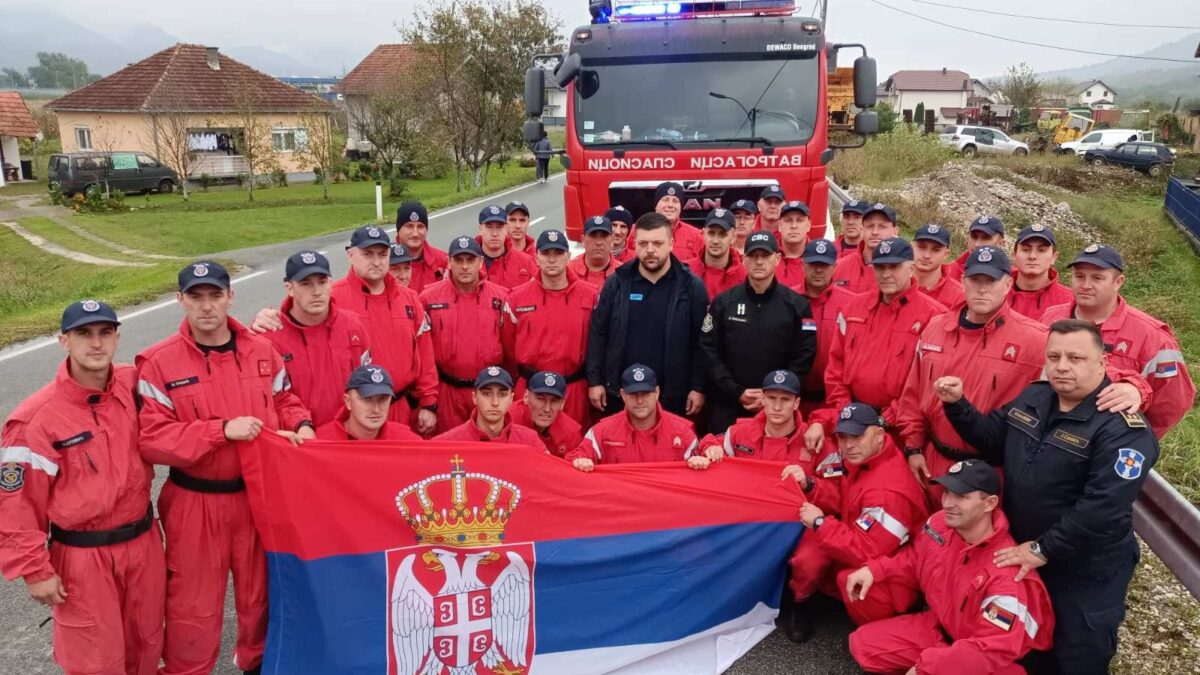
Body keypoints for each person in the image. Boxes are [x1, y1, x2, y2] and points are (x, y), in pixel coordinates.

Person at [939, 319, 1160, 674]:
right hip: (1028, 551)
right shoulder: (1036, 396)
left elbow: (1101, 508)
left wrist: (1043, 549)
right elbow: (993, 440)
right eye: (1054, 356)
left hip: (1085, 566)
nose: (1061, 366)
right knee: (1031, 646)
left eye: (1075, 358)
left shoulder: (1122, 429)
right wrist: (957, 405)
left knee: (1077, 654)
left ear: (1103, 363)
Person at [136, 261, 313, 675]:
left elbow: (284, 400)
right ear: (180, 301)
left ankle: (256, 665)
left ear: (230, 297)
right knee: (192, 607)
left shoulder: (261, 351)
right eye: (195, 297)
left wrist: (301, 424)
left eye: (215, 295)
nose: (206, 307)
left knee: (260, 599)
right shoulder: (159, 363)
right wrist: (219, 431)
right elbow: (152, 438)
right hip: (195, 500)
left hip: (257, 497)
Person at [0, 300, 166, 675]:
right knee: (96, 660)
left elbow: (184, 367)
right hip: (83, 558)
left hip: (143, 544)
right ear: (63, 341)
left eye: (105, 333)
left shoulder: (129, 383)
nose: (96, 344)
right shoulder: (34, 419)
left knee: (146, 642)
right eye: (84, 334)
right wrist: (34, 569)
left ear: (117, 337)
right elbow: (15, 504)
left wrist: (257, 328)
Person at [845, 460, 1055, 673]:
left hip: (991, 661)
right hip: (942, 630)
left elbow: (989, 651)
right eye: (947, 492)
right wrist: (875, 569)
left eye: (961, 496)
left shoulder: (1007, 574)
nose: (947, 503)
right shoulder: (940, 523)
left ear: (990, 503)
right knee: (862, 644)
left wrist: (928, 668)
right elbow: (918, 557)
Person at [896, 246, 1049, 504]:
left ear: (1008, 283)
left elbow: (1087, 368)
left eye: (990, 280)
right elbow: (912, 394)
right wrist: (913, 447)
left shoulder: (1036, 339)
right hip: (934, 461)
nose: (982, 288)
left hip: (988, 472)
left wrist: (1133, 385)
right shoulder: (935, 329)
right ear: (963, 281)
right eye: (975, 279)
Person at [783, 402, 928, 642]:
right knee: (809, 557)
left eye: (857, 436)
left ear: (879, 435)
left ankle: (884, 632)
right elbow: (842, 497)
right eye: (842, 437)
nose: (848, 445)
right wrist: (812, 484)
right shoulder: (866, 455)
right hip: (859, 535)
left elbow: (864, 551)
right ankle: (806, 600)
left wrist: (820, 522)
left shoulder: (886, 492)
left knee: (852, 578)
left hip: (895, 568)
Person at [1041, 244, 1194, 437]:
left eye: (1097, 278)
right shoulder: (1051, 317)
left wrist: (1134, 439)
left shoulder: (1152, 336)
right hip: (1045, 434)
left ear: (1118, 282)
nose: (1086, 285)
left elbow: (1173, 401)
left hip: (1105, 446)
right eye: (1079, 276)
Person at [586, 212, 709, 417]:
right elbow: (598, 334)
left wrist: (699, 387)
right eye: (643, 244)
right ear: (634, 244)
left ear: (671, 243)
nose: (650, 250)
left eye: (657, 243)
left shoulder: (692, 287)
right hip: (622, 394)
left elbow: (703, 342)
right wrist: (595, 381)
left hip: (674, 396)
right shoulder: (617, 283)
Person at [700, 231, 816, 433]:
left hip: (776, 409)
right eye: (753, 256)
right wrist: (736, 391)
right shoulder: (723, 302)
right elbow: (709, 351)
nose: (759, 261)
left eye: (765, 255)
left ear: (777, 259)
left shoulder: (797, 306)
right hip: (728, 406)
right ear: (744, 259)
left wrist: (773, 395)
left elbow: (805, 355)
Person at [824, 237, 947, 422]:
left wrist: (887, 418)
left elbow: (928, 383)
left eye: (894, 267)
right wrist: (845, 409)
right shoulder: (854, 307)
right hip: (850, 418)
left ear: (911, 268)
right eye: (880, 267)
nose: (886, 274)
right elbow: (835, 365)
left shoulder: (934, 317)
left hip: (901, 424)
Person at [330, 225, 438, 430]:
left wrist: (429, 402)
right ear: (350, 255)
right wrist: (266, 319)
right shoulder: (333, 298)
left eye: (382, 254)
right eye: (368, 254)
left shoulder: (409, 299)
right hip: (355, 414)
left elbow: (425, 353)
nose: (377, 262)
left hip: (403, 407)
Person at [260, 250, 372, 427]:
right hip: (302, 440)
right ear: (289, 288)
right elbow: (274, 398)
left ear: (330, 283)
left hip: (350, 434)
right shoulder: (269, 336)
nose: (316, 292)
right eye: (306, 284)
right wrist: (300, 424)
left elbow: (367, 382)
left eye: (322, 282)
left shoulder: (353, 326)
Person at [503, 229, 598, 427]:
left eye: (558, 253)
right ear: (536, 257)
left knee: (572, 447)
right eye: (546, 254)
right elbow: (508, 346)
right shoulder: (516, 299)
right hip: (530, 389)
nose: (552, 260)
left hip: (572, 390)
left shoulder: (591, 296)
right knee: (527, 447)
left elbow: (598, 345)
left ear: (569, 256)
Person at [421, 236, 514, 433]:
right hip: (447, 391)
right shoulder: (428, 299)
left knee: (488, 450)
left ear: (480, 262)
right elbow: (422, 353)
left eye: (470, 260)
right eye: (459, 260)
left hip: (489, 391)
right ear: (449, 262)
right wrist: (428, 400)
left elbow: (510, 348)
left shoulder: (501, 297)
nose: (464, 267)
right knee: (449, 453)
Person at [696, 370, 839, 478]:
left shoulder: (816, 441)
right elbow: (707, 442)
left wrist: (807, 483)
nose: (777, 407)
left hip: (796, 516)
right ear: (763, 400)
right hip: (749, 515)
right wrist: (710, 448)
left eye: (785, 399)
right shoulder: (739, 433)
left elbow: (835, 494)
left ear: (796, 403)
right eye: (771, 398)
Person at [568, 364, 700, 469]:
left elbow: (703, 466)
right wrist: (580, 460)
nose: (640, 401)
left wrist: (701, 460)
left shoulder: (682, 432)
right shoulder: (602, 431)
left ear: (657, 393)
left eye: (646, 393)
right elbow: (576, 456)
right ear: (623, 395)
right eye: (633, 394)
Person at [791, 240, 856, 416]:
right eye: (813, 264)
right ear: (803, 265)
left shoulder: (852, 304)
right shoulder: (787, 300)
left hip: (835, 401)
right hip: (793, 401)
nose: (818, 270)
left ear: (835, 267)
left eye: (824, 265)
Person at [433, 366, 544, 448]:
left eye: (502, 395)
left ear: (511, 398)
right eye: (487, 394)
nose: (495, 402)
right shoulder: (447, 444)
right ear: (474, 397)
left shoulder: (530, 441)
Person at [315, 365, 421, 441]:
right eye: (367, 399)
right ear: (348, 402)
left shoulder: (407, 441)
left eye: (383, 399)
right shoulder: (319, 441)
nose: (376, 409)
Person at [509, 370, 584, 457]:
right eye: (540, 399)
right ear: (526, 397)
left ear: (562, 404)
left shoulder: (571, 433)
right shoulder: (507, 420)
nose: (547, 409)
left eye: (554, 401)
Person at [1008, 224, 1073, 320]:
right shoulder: (995, 293)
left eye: (1042, 250)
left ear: (1054, 257)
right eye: (1026, 250)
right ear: (1014, 255)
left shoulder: (1070, 301)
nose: (1032, 256)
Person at [833, 203, 900, 294]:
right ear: (862, 230)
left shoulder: (903, 270)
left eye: (882, 227)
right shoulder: (839, 267)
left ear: (895, 231)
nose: (875, 232)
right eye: (870, 226)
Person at [682, 208, 746, 301]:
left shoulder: (744, 276)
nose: (715, 241)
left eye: (722, 234)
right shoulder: (684, 271)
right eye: (711, 233)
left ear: (733, 237)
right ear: (703, 234)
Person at [477, 205, 538, 289]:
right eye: (489, 227)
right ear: (480, 229)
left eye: (499, 227)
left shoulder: (526, 262)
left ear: (506, 229)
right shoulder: (466, 262)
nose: (494, 234)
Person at [395, 201, 448, 294]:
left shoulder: (444, 261)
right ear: (398, 230)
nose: (415, 233)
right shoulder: (384, 262)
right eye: (409, 226)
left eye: (420, 226)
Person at [912, 223, 965, 309]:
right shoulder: (895, 282)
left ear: (946, 254)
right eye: (922, 247)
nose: (926, 255)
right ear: (912, 247)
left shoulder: (959, 296)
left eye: (935, 250)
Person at [653, 181, 705, 260]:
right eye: (665, 200)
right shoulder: (636, 232)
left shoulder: (697, 236)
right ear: (656, 205)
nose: (670, 205)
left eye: (675, 201)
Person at [947, 215, 1006, 282]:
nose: (977, 244)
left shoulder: (1009, 278)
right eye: (974, 237)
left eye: (986, 238)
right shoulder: (948, 272)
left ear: (1001, 243)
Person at [569, 215, 619, 288]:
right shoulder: (568, 271)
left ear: (612, 240)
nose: (598, 243)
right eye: (593, 236)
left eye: (604, 236)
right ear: (583, 240)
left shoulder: (624, 273)